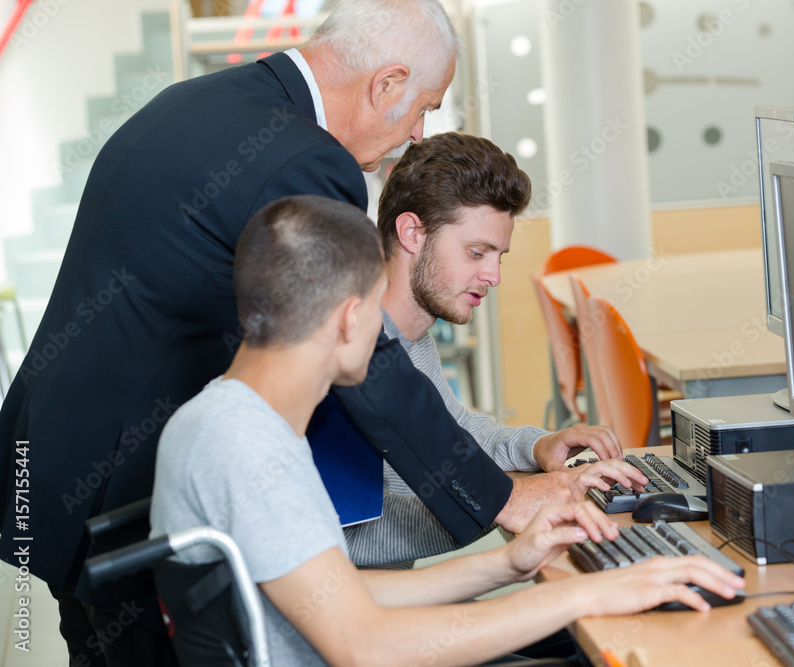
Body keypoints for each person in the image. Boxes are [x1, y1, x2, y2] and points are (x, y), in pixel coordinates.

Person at [0, 1, 621, 664]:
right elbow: (371, 368)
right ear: (384, 83)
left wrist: (513, 524)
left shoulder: (207, 102)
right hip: (117, 481)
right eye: (422, 108)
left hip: (66, 448)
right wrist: (506, 498)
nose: (418, 132)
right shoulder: (305, 160)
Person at [149, 194, 745, 666]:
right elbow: (365, 646)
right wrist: (585, 592)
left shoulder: (230, 420)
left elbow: (339, 596)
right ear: (353, 318)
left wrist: (509, 565)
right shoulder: (248, 447)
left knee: (581, 633)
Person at [345, 132, 646, 566]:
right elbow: (342, 539)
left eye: (498, 256)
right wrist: (507, 501)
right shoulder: (349, 354)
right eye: (476, 252)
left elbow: (457, 429)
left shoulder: (410, 337)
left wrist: (538, 448)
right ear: (412, 233)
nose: (493, 276)